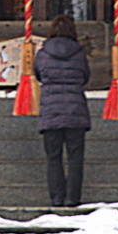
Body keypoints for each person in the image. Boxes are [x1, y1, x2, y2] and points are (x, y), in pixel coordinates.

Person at [34, 15, 90, 207]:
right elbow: (85, 76)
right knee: (75, 157)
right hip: (75, 110)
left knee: (53, 157)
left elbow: (39, 74)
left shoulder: (43, 53)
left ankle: (57, 198)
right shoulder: (79, 53)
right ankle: (73, 198)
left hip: (51, 111)